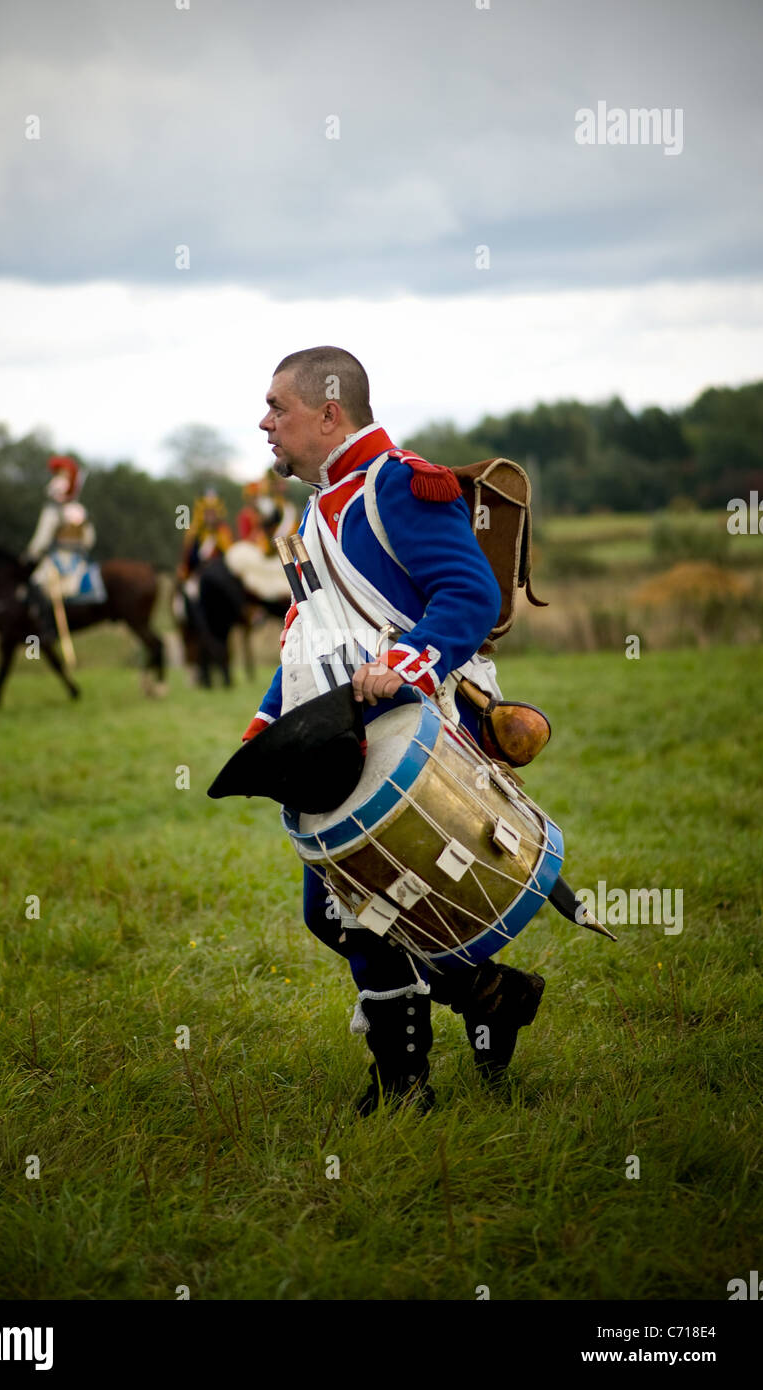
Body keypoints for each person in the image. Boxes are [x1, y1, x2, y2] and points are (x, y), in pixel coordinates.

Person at [243, 346, 546, 1115]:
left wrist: (408, 661)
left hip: (420, 724)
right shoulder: (315, 510)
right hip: (354, 730)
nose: (265, 422)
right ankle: (483, 997)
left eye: (278, 407)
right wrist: (269, 717)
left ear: (329, 411)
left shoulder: (398, 487)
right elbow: (314, 635)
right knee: (345, 907)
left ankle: (406, 1079)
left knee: (349, 906)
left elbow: (469, 594)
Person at [22, 455, 104, 635]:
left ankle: (44, 627)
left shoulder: (53, 510)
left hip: (57, 561)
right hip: (79, 561)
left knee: (33, 583)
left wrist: (30, 554)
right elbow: (90, 540)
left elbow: (42, 539)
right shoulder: (81, 511)